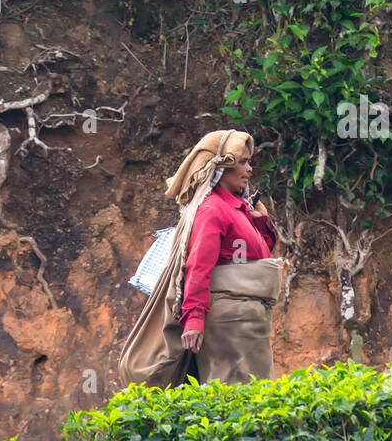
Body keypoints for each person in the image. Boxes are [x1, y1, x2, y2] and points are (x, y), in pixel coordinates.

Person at [117, 129, 284, 389]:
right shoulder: (212, 210)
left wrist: (260, 223)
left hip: (248, 318)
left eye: (249, 162)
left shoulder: (236, 208)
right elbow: (197, 265)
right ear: (220, 167)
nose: (250, 169)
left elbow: (253, 256)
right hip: (230, 322)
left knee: (253, 394)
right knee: (238, 396)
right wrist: (194, 319)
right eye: (242, 162)